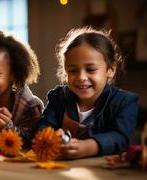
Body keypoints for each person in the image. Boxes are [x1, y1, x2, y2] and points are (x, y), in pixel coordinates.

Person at [36, 27, 139, 159]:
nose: (81, 77)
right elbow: (41, 129)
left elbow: (120, 138)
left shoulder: (124, 102)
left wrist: (88, 147)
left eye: (90, 69)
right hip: (60, 170)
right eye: (73, 71)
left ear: (111, 69)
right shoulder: (59, 98)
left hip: (103, 173)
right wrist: (53, 137)